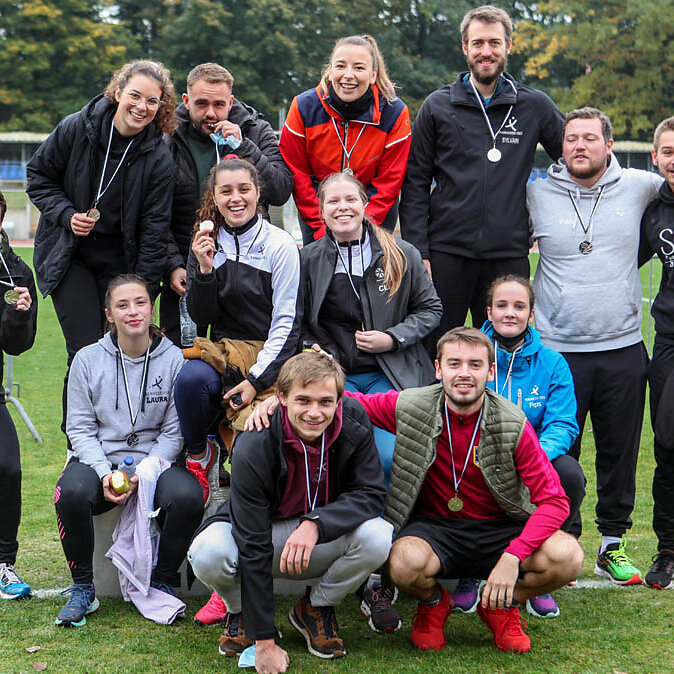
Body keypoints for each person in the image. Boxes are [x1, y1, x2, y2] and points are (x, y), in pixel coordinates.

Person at [247, 328, 584, 653]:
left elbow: (555, 501)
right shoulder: (413, 405)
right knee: (402, 560)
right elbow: (347, 401)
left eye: (475, 365)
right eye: (454, 363)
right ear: (438, 369)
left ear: (491, 372)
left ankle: (501, 605)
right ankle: (434, 603)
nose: (464, 374)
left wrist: (513, 556)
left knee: (568, 556)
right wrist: (279, 404)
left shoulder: (513, 422)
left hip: (500, 529)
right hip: (434, 529)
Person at [188, 351, 392, 672]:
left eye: (325, 402)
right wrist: (265, 642)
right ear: (281, 397)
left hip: (319, 536)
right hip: (263, 535)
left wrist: (316, 524)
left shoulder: (353, 420)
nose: (315, 412)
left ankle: (315, 607)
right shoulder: (254, 440)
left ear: (339, 400)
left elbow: (370, 494)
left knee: (379, 535)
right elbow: (253, 543)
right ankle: (241, 613)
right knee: (207, 552)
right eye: (303, 400)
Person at [528, 106, 661, 585]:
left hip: (622, 345)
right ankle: (561, 539)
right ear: (560, 146)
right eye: (571, 139)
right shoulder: (536, 193)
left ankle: (611, 544)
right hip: (555, 350)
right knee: (559, 455)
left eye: (589, 138)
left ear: (609, 144)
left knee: (619, 452)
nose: (579, 146)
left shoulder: (643, 186)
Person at [26, 60, 176, 439]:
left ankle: (117, 439)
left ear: (161, 106)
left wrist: (143, 292)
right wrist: (66, 215)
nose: (142, 107)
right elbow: (38, 176)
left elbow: (154, 229)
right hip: (71, 256)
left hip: (121, 265)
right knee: (85, 351)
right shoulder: (76, 128)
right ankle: (76, 444)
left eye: (152, 101)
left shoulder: (158, 155)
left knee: (122, 353)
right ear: (118, 92)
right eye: (135, 96)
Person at [399, 5, 564, 335]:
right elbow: (415, 183)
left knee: (505, 347)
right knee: (438, 344)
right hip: (446, 254)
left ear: (508, 46)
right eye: (477, 43)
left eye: (494, 43)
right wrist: (419, 252)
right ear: (465, 48)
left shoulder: (534, 105)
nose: (486, 52)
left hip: (507, 256)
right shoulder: (437, 106)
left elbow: (573, 157)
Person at [53, 274, 203, 627]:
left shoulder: (174, 360)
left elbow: (173, 432)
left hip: (155, 463)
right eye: (122, 305)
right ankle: (82, 587)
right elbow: (79, 429)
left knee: (188, 496)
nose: (133, 311)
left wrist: (145, 473)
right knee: (70, 492)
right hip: (102, 461)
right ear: (109, 314)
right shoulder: (87, 359)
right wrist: (105, 473)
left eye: (140, 303)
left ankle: (162, 581)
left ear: (151, 309)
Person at [452, 275, 585, 620]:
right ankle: (471, 569)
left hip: (533, 457)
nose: (509, 313)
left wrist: (531, 456)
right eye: (502, 305)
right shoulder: (471, 355)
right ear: (488, 312)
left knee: (569, 474)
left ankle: (535, 570)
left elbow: (563, 424)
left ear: (531, 314)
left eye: (519, 306)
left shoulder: (552, 363)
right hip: (478, 453)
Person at [302, 171, 442, 484]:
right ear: (321, 210)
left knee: (387, 458)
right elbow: (297, 321)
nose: (343, 207)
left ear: (365, 204)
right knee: (335, 456)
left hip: (389, 374)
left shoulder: (402, 253)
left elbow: (431, 309)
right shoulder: (308, 259)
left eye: (350, 199)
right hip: (336, 377)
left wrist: (393, 338)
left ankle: (385, 515)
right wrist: (313, 347)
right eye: (333, 201)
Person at [173, 156, 302, 493]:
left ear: (258, 192)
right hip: (226, 354)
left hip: (271, 358)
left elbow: (287, 323)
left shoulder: (280, 244)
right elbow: (201, 317)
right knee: (190, 379)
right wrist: (204, 269)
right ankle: (200, 455)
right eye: (226, 191)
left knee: (253, 452)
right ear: (214, 197)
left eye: (244, 189)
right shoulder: (205, 242)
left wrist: (256, 380)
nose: (236, 198)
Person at [162, 62, 293, 346]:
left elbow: (281, 190)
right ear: (186, 100)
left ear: (230, 102)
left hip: (247, 269)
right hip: (186, 263)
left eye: (219, 104)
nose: (211, 113)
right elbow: (156, 210)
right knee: (183, 354)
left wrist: (243, 146)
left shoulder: (255, 129)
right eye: (201, 104)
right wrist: (172, 264)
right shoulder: (167, 135)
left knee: (242, 353)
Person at [280, 34, 411, 245]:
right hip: (319, 214)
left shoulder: (394, 112)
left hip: (375, 213)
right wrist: (321, 229)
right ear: (330, 70)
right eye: (340, 66)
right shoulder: (303, 107)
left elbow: (390, 181)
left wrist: (363, 229)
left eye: (359, 68)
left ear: (373, 75)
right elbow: (299, 174)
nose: (348, 75)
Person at [638, 116, 674, 589]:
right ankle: (668, 550)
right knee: (667, 445)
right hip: (669, 339)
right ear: (656, 157)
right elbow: (619, 260)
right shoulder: (654, 212)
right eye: (668, 151)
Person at [0, 190, 38, 600]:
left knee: (8, 468)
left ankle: (3, 563)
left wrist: (16, 314)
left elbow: (17, 345)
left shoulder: (14, 273)